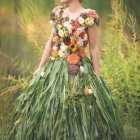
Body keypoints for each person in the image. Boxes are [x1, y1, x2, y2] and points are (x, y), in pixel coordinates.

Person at [4, 0, 125, 140]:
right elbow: (50, 43)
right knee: (53, 99)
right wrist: (40, 67)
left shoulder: (88, 16)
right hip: (55, 66)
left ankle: (81, 133)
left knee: (78, 101)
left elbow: (94, 49)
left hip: (80, 67)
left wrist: (96, 77)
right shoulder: (58, 13)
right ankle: (50, 132)